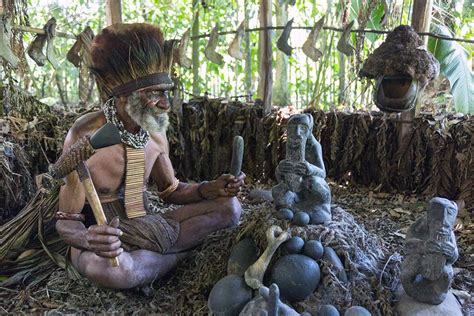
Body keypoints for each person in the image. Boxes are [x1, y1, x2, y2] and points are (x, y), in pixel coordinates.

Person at [55, 23, 245, 289]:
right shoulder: (84, 136)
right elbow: (66, 222)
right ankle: (177, 256)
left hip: (148, 222)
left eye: (165, 92)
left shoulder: (154, 131)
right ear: (123, 96)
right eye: (153, 94)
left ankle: (154, 262)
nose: (166, 104)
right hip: (104, 236)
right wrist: (90, 239)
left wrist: (210, 188)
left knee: (230, 208)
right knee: (114, 272)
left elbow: (172, 191)